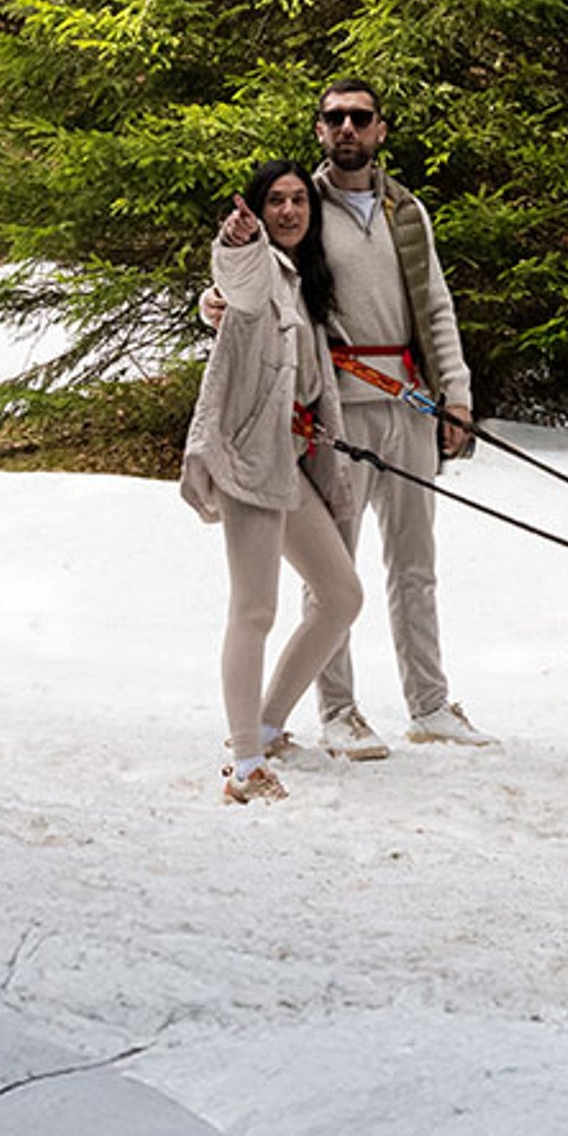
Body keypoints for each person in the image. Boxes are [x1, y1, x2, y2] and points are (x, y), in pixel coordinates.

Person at [301, 78, 493, 752]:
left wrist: (457, 396)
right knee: (335, 570)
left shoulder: (405, 212)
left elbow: (436, 308)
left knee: (415, 562)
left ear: (381, 129)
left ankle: (430, 705)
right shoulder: (299, 209)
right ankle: (337, 712)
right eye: (335, 119)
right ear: (319, 130)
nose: (347, 128)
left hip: (409, 405)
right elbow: (255, 278)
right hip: (338, 412)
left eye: (360, 117)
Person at [178, 160, 367, 804]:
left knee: (340, 595)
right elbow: (238, 281)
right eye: (274, 202)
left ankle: (265, 723)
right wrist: (237, 240)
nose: (289, 211)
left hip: (287, 462)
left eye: (298, 201)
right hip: (249, 463)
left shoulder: (305, 283)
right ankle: (245, 761)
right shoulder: (260, 270)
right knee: (255, 608)